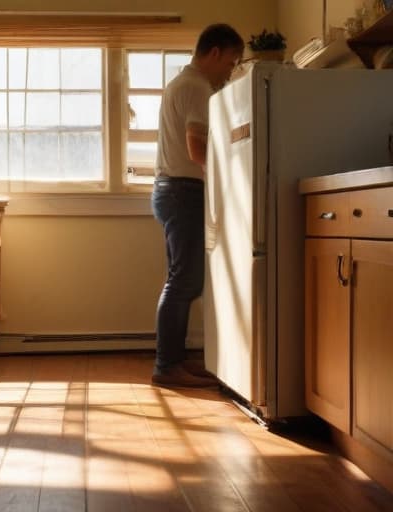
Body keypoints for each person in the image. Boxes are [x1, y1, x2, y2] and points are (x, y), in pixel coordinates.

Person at [151, 23, 244, 388]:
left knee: (184, 280)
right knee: (184, 281)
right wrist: (235, 176)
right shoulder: (196, 86)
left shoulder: (183, 82)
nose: (230, 70)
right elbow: (196, 149)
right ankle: (166, 366)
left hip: (174, 191)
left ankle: (174, 361)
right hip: (182, 192)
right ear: (215, 53)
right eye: (232, 62)